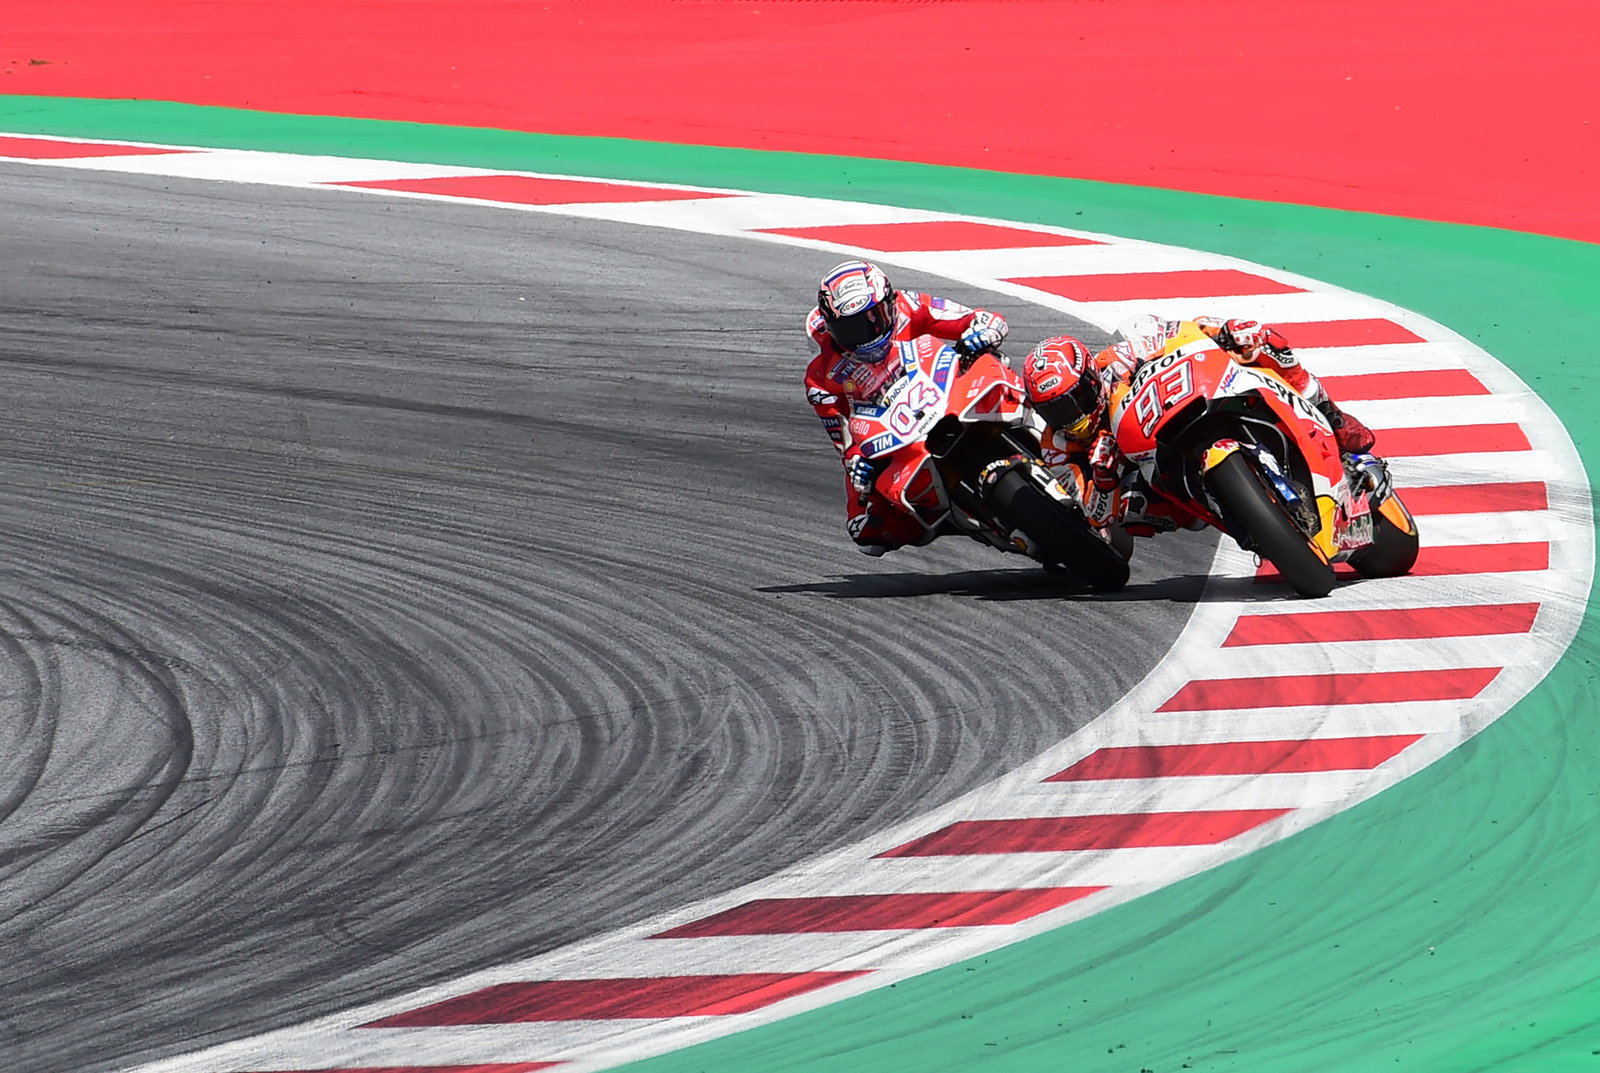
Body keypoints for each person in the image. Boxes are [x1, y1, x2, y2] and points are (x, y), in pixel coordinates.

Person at [1022, 315, 1386, 537]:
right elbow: (1096, 515)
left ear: (1089, 379)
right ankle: (1238, 513)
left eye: (1072, 402)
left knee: (1263, 343)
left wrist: (1224, 332)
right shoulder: (1055, 448)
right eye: (1054, 411)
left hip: (1178, 408)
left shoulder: (1117, 359)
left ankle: (1332, 417)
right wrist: (1103, 477)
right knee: (1132, 510)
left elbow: (1182, 333)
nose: (1070, 418)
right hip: (1151, 476)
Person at [803, 259, 1009, 556]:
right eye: (850, 329)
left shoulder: (909, 306)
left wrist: (984, 332)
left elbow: (978, 318)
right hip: (893, 431)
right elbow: (844, 439)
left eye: (872, 319)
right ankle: (943, 518)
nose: (865, 334)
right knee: (865, 531)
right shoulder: (820, 376)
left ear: (889, 303)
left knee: (1025, 371)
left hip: (948, 389)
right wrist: (857, 461)